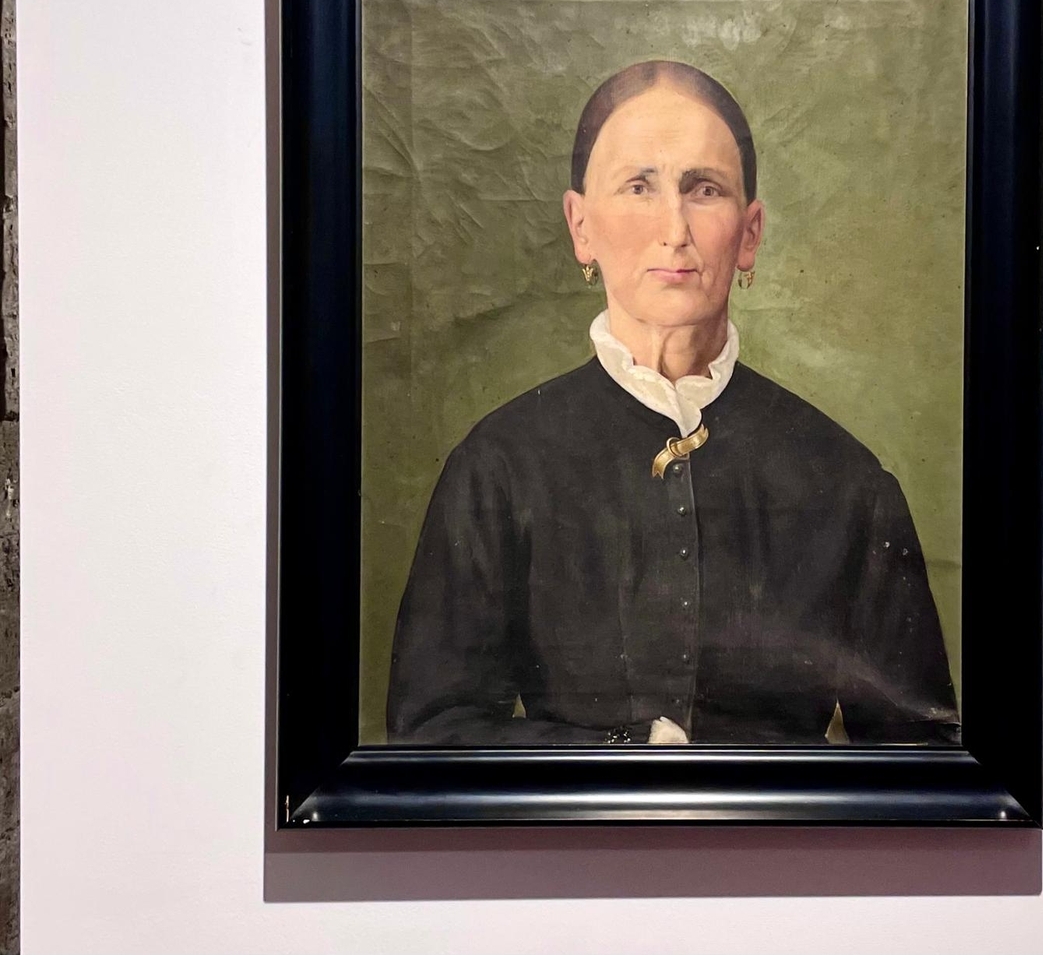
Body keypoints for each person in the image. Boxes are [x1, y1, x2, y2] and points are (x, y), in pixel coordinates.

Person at [387, 59, 960, 746]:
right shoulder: (498, 465)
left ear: (749, 233)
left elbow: (917, 758)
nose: (674, 228)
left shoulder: (847, 480)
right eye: (638, 187)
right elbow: (434, 733)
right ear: (581, 226)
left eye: (704, 189)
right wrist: (625, 752)